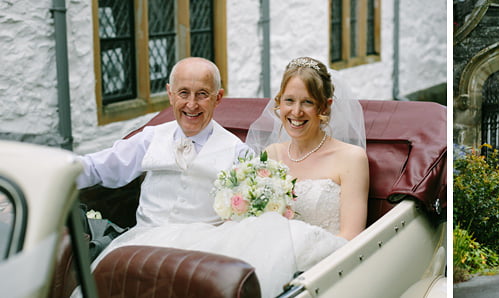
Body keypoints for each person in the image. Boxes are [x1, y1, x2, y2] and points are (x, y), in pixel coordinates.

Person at [90, 57, 370, 297]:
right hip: (262, 248)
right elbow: (246, 217)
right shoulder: (270, 154)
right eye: (289, 101)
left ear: (325, 106)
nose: (296, 112)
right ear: (278, 104)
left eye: (307, 102)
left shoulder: (351, 158)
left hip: (322, 257)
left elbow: (350, 237)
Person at [75, 57, 251, 228]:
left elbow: (247, 212)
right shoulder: (150, 138)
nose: (191, 104)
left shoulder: (239, 153)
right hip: (144, 242)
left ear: (218, 97)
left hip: (200, 250)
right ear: (170, 94)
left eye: (202, 94)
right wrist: (56, 174)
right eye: (183, 93)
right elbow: (97, 167)